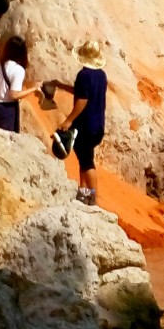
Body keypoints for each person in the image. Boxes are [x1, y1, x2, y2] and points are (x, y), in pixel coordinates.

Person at [51, 40, 108, 206]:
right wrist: (61, 85)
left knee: (86, 161)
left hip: (86, 125)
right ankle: (83, 192)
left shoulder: (83, 75)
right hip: (98, 125)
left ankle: (92, 197)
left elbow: (82, 100)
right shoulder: (101, 75)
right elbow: (84, 92)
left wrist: (68, 120)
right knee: (84, 158)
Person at [0, 36, 40, 134]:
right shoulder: (18, 70)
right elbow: (14, 95)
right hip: (6, 111)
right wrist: (34, 88)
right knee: (7, 141)